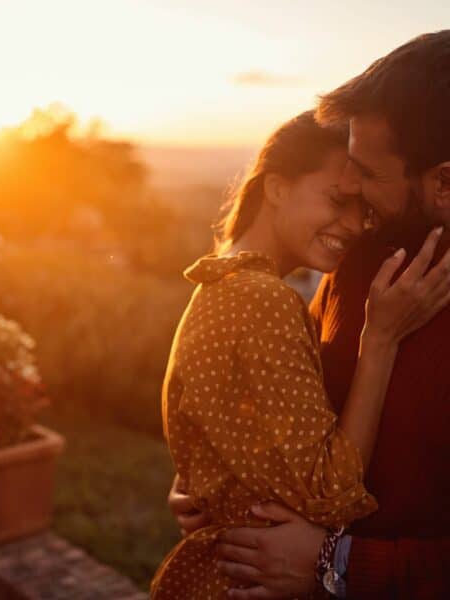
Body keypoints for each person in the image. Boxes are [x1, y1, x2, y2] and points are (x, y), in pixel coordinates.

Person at [169, 30, 450, 599]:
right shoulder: (364, 259)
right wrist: (220, 478)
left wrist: (338, 563)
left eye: (367, 176)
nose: (353, 191)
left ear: (443, 181)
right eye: (347, 172)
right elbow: (298, 403)